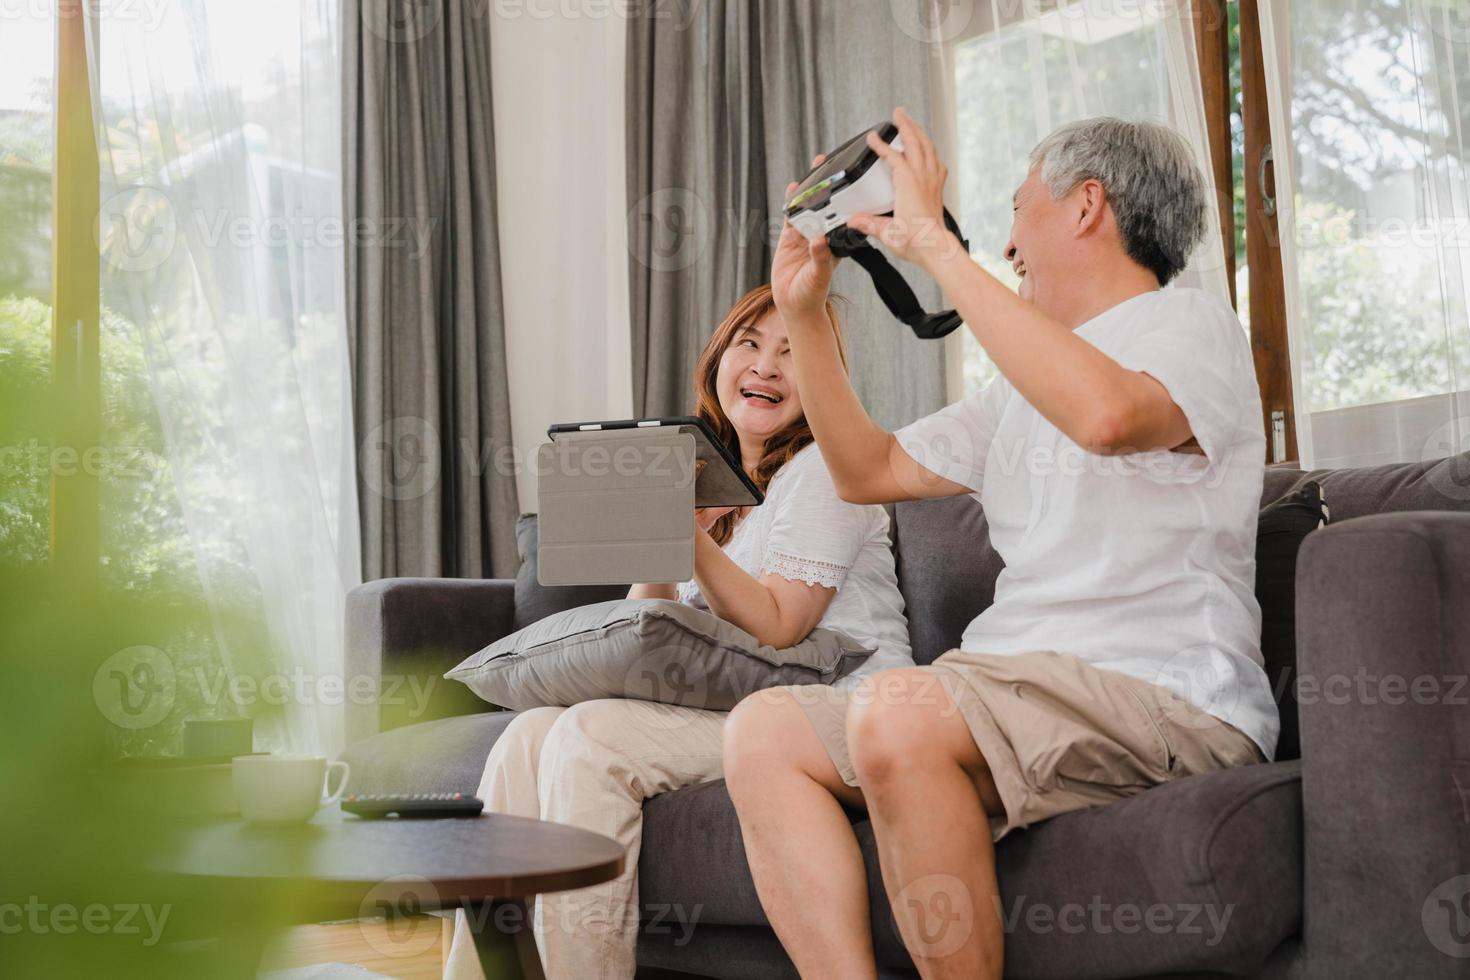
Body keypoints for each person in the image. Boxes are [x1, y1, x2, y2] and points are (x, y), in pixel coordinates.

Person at [722, 110, 1279, 980]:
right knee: (764, 733)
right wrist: (806, 316)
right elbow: (866, 470)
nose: (1008, 241)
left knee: (897, 716)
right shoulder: (1014, 386)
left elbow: (1107, 418)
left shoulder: (1189, 327)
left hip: (1163, 691)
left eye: (1019, 209)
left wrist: (940, 252)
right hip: (1010, 685)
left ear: (1086, 206)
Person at [443, 282, 913, 980]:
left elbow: (783, 627)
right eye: (749, 344)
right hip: (744, 702)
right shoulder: (724, 495)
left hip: (838, 708)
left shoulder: (826, 474)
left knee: (589, 738)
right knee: (526, 736)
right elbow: (651, 628)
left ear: (822, 377)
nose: (766, 365)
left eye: (791, 351)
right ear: (717, 360)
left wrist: (688, 543)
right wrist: (662, 539)